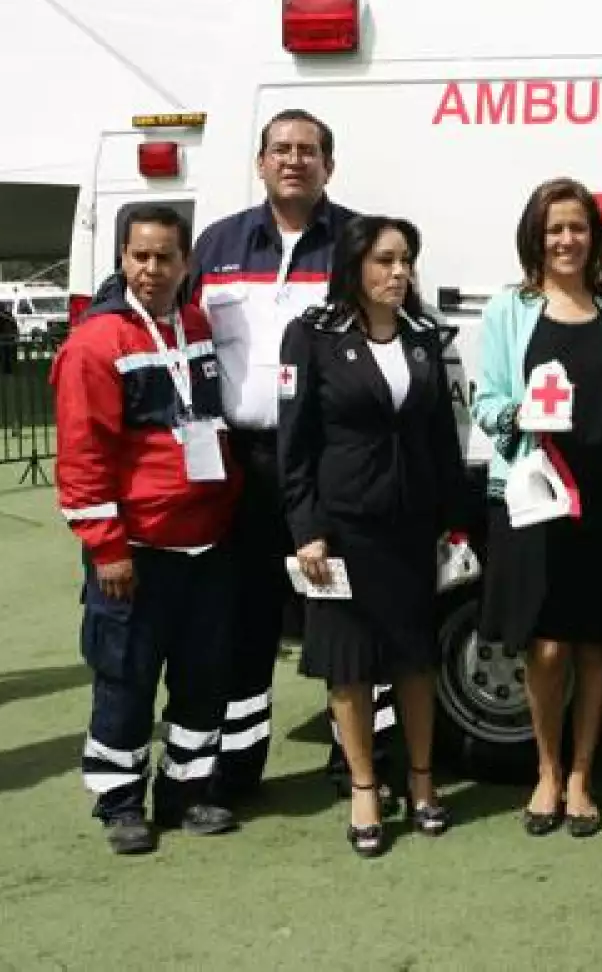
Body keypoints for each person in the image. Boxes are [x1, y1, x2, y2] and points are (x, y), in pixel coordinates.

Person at [188, 108, 397, 808]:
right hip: (245, 464)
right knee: (244, 623)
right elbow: (168, 316)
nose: (294, 160)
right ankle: (237, 770)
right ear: (260, 162)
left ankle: (361, 765)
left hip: (335, 463)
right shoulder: (218, 243)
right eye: (281, 148)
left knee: (349, 614)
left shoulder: (359, 242)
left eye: (309, 150)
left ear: (329, 165)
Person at [473, 177, 602, 837]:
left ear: (594, 236)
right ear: (535, 235)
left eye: (578, 227)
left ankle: (582, 775)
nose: (566, 239)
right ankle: (546, 769)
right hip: (534, 498)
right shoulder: (509, 308)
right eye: (554, 228)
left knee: (595, 643)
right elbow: (486, 399)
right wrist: (519, 415)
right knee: (547, 647)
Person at [276, 214, 469, 857]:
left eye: (406, 259)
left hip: (410, 528)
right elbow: (295, 444)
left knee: (415, 660)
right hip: (341, 531)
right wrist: (308, 529)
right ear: (355, 265)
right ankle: (364, 786)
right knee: (349, 666)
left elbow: (441, 441)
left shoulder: (423, 337)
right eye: (386, 260)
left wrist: (453, 523)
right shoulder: (312, 336)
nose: (399, 272)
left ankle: (422, 781)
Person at [53, 205, 243, 855]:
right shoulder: (96, 343)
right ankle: (120, 803)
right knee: (125, 679)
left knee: (202, 677)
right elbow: (82, 459)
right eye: (140, 255)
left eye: (165, 256)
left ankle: (187, 792)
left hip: (207, 546)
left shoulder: (196, 324)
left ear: (186, 263)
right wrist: (107, 549)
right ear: (122, 258)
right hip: (135, 551)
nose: (151, 269)